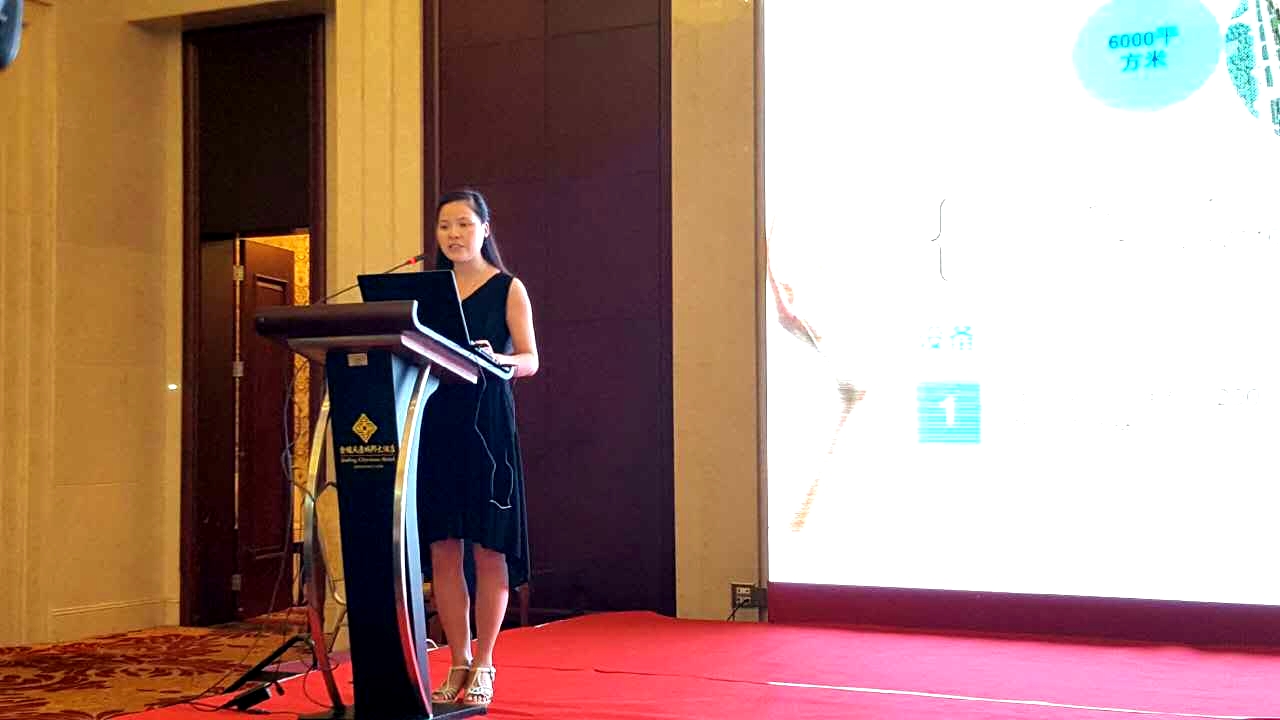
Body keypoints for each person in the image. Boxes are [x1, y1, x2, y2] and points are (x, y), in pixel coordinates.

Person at [417, 189, 538, 707]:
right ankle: (457, 660)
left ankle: (485, 660)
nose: (454, 234)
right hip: (437, 422)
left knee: (489, 548)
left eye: (464, 224)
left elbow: (530, 358)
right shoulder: (427, 292)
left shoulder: (508, 287)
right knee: (443, 548)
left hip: (489, 426)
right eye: (445, 225)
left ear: (485, 230)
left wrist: (500, 360)